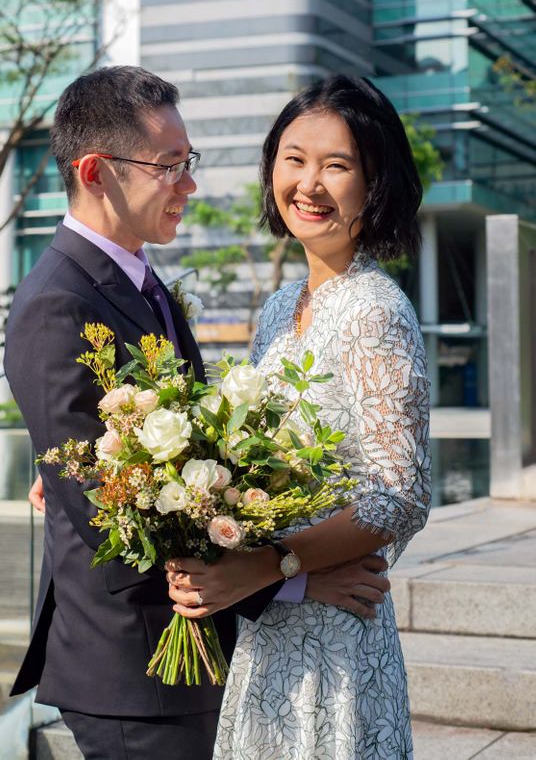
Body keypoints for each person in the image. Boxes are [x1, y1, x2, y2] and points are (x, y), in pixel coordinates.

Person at [8, 66, 393, 760]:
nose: (190, 184)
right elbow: (110, 515)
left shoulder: (140, 279)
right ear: (96, 171)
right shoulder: (57, 304)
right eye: (170, 166)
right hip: (137, 668)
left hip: (192, 653)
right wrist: (294, 580)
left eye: (191, 163)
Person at [166, 74, 431, 759]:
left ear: (375, 185)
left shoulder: (376, 310)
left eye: (337, 165)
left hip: (337, 640)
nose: (308, 184)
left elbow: (398, 494)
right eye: (294, 158)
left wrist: (271, 564)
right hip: (275, 627)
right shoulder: (281, 308)